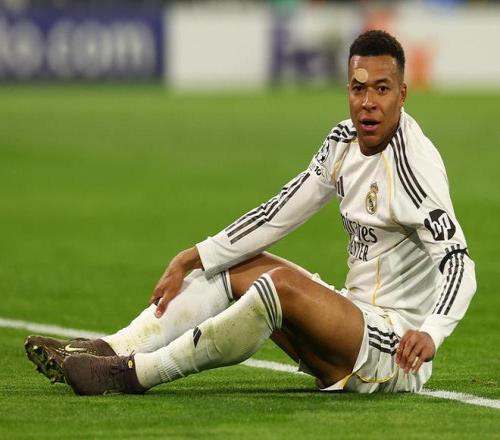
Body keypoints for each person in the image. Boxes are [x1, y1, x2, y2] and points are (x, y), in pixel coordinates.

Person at [25, 30, 476, 395]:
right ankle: (108, 348)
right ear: (347, 90)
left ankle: (133, 374)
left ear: (403, 94)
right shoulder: (342, 142)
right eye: (359, 89)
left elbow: (458, 259)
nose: (368, 102)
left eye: (382, 89)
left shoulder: (413, 167)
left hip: (394, 350)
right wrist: (193, 256)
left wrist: (432, 332)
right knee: (230, 262)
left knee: (277, 287)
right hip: (352, 323)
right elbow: (278, 212)